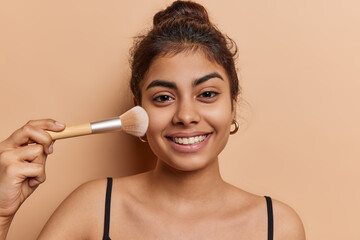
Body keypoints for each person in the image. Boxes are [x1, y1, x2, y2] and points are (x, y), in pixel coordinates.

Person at [0, 1, 306, 239]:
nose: (186, 116)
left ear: (233, 106)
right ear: (137, 111)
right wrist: (2, 213)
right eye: (163, 97)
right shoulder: (93, 208)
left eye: (207, 94)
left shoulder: (278, 226)